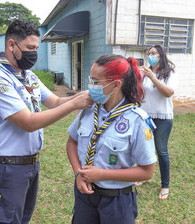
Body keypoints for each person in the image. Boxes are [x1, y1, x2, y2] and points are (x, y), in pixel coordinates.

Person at [0, 19, 93, 224]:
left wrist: (80, 96)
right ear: (11, 45)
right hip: (8, 167)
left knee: (23, 218)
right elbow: (28, 122)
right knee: (7, 220)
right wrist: (75, 105)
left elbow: (55, 101)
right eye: (29, 48)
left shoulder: (27, 75)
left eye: (36, 48)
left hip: (30, 164)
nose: (34, 53)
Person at [66, 54, 157, 224]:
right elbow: (72, 141)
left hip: (117, 200)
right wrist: (78, 172)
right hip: (85, 196)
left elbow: (147, 171)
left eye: (95, 81)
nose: (90, 86)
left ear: (115, 85)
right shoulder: (89, 109)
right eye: (90, 80)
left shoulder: (137, 120)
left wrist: (101, 174)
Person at [137, 45, 177, 200]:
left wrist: (152, 77)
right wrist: (140, 77)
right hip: (146, 118)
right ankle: (145, 176)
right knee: (145, 149)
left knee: (161, 151)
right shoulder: (146, 74)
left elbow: (168, 93)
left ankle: (165, 185)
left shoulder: (170, 73)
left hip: (163, 119)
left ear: (161, 55)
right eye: (149, 53)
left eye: (153, 53)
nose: (150, 55)